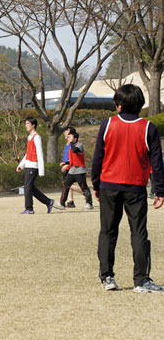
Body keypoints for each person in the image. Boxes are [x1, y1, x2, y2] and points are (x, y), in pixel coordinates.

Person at [92, 84, 164, 293]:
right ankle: (141, 280)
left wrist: (96, 184)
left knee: (107, 231)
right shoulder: (148, 128)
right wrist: (160, 190)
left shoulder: (107, 125)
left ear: (119, 105)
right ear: (140, 104)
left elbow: (98, 157)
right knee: (139, 233)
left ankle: (107, 278)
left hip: (108, 186)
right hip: (136, 187)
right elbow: (157, 163)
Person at [16, 116, 54, 214]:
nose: (26, 126)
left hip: (34, 166)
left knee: (27, 187)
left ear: (33, 125)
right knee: (30, 188)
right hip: (29, 165)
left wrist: (41, 170)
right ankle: (48, 202)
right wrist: (21, 165)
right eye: (26, 124)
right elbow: (28, 153)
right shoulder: (29, 137)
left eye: (28, 124)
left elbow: (39, 153)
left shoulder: (37, 137)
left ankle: (29, 209)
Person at [53, 131, 93, 210]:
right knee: (65, 185)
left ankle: (89, 203)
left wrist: (71, 143)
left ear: (75, 139)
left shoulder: (79, 145)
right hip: (72, 170)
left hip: (80, 170)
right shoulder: (71, 147)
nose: (68, 138)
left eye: (70, 137)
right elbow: (73, 159)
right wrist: (65, 163)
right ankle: (62, 203)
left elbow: (75, 150)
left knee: (83, 187)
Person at [59, 126, 82, 208]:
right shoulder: (67, 144)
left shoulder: (73, 145)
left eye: (67, 131)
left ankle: (87, 192)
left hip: (70, 167)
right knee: (67, 184)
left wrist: (67, 165)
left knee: (68, 184)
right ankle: (70, 201)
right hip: (65, 166)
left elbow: (73, 158)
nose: (65, 132)